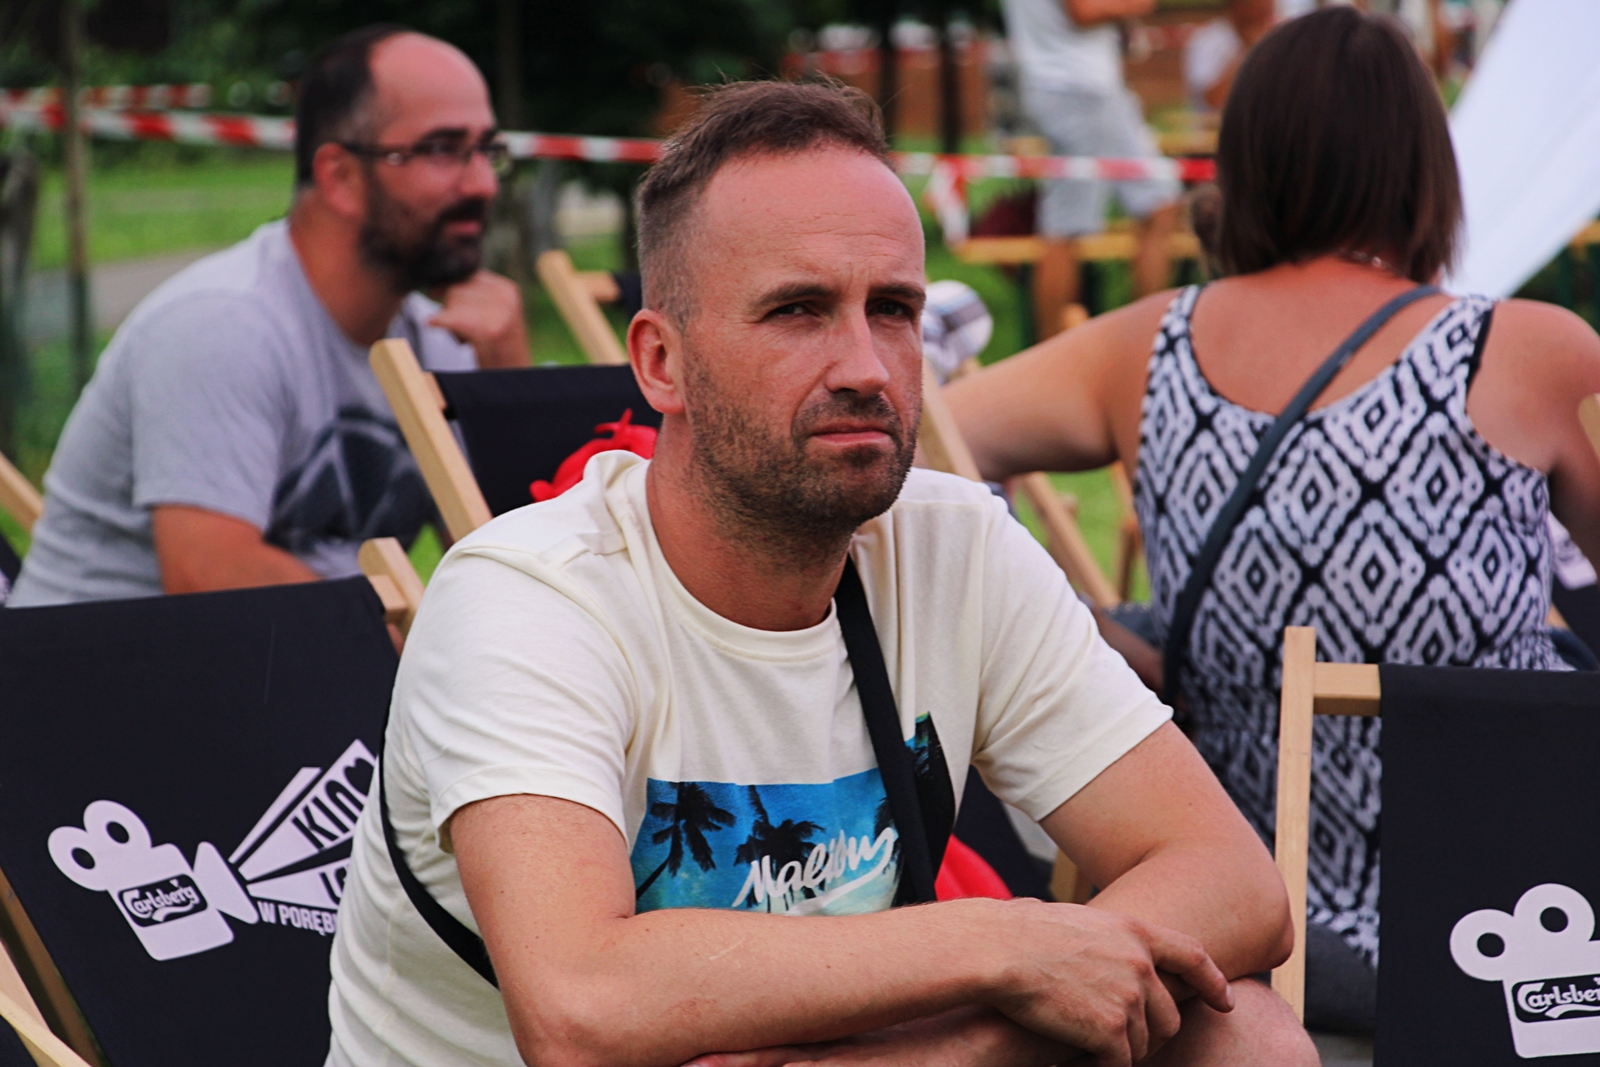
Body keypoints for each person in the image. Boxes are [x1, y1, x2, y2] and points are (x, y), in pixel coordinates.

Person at [327, 80, 1316, 1067]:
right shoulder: (526, 597)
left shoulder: (955, 546)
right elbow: (580, 1004)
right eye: (797, 310)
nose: (866, 366)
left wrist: (948, 1046)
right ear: (661, 361)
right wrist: (1002, 940)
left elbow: (1235, 882)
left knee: (1247, 1036)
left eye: (893, 309)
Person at [947, 7, 1600, 1034]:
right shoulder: (1529, 351)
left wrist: (1079, 633)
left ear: (1242, 164)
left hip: (1245, 921)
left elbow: (925, 444)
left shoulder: (1144, 347)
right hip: (1520, 922)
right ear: (1427, 168)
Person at [8, 26, 527, 608]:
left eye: (488, 151)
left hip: (282, 663)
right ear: (340, 177)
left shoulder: (441, 341)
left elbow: (508, 578)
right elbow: (210, 578)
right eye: (441, 150)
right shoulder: (223, 327)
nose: (483, 184)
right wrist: (415, 643)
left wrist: (506, 385)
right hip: (101, 663)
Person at [999, 0, 1181, 338]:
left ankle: (1144, 341)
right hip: (1077, 88)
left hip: (1083, 87)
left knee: (1159, 206)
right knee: (1066, 228)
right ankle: (1055, 350)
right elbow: (1084, 9)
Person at [1183, 0, 1276, 113]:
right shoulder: (1207, 40)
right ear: (1237, 5)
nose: (1268, 7)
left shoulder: (1278, 37)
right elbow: (1213, 100)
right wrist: (1250, 51)